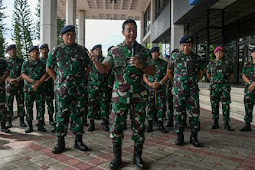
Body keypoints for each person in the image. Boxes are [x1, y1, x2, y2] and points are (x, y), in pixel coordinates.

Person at [89, 19, 155, 170]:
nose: (132, 33)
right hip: (119, 96)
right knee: (116, 126)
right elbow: (104, 69)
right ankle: (117, 157)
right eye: (129, 30)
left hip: (138, 96)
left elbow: (153, 71)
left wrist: (141, 65)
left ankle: (137, 156)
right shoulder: (115, 51)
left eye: (134, 30)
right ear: (123, 32)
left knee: (139, 127)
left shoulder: (144, 52)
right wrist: (96, 62)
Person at [46, 25, 91, 154]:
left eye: (72, 34)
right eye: (67, 35)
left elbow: (89, 67)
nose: (70, 36)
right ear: (62, 36)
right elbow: (49, 68)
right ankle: (60, 142)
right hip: (62, 91)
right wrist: (58, 80)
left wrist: (82, 78)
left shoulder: (82, 50)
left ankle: (78, 141)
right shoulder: (56, 50)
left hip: (79, 90)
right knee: (61, 115)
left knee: (79, 114)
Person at [167, 35, 204, 147]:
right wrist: (176, 83)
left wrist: (192, 82)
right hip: (178, 92)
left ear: (191, 46)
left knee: (195, 114)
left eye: (188, 45)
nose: (186, 48)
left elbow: (201, 73)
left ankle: (194, 136)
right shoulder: (175, 57)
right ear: (180, 46)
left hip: (192, 91)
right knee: (178, 114)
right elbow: (169, 72)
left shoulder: (196, 58)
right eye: (183, 45)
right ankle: (180, 136)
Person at [21, 46, 48, 133]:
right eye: (33, 52)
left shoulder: (43, 63)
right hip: (28, 89)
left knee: (40, 107)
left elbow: (46, 73)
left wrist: (39, 82)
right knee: (29, 107)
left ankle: (40, 125)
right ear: (29, 53)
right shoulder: (26, 63)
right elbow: (23, 75)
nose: (35, 53)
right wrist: (33, 82)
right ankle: (29, 126)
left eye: (36, 51)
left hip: (40, 89)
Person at [207, 46, 233, 131]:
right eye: (217, 52)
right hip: (214, 87)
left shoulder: (228, 63)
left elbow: (231, 75)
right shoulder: (211, 64)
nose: (219, 54)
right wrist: (213, 81)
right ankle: (215, 122)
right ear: (215, 54)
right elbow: (208, 74)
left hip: (224, 87)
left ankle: (226, 123)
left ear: (223, 53)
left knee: (226, 105)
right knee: (214, 104)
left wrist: (225, 81)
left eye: (221, 52)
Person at [143, 47, 168, 133]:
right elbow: (144, 76)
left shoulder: (164, 63)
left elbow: (167, 75)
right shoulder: (147, 63)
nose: (155, 54)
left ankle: (161, 124)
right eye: (153, 52)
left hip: (160, 88)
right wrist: (150, 84)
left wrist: (160, 83)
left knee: (161, 106)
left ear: (159, 53)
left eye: (156, 52)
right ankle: (150, 124)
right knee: (150, 106)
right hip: (150, 89)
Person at [87, 44, 110, 131]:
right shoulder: (89, 61)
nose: (98, 51)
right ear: (92, 51)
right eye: (96, 50)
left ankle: (105, 123)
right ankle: (91, 123)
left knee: (104, 105)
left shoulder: (104, 61)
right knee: (91, 105)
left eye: (99, 50)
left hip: (103, 86)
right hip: (92, 87)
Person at [5, 44, 26, 128]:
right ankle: (8, 121)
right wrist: (10, 80)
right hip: (9, 86)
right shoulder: (5, 62)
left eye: (14, 49)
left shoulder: (21, 61)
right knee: (9, 103)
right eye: (10, 50)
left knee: (20, 103)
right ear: (8, 52)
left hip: (19, 85)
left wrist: (17, 79)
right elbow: (3, 74)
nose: (12, 51)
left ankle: (22, 121)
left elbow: (24, 72)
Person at [240, 47, 255, 131]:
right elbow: (243, 75)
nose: (254, 53)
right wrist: (250, 83)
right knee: (248, 106)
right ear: (251, 54)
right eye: (253, 52)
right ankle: (247, 125)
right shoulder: (247, 64)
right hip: (249, 89)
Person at [40, 44, 55, 126]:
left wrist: (48, 79)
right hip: (41, 86)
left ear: (48, 50)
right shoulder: (38, 61)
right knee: (40, 104)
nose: (45, 51)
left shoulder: (51, 60)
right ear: (40, 51)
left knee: (50, 104)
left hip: (49, 85)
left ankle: (51, 119)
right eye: (43, 49)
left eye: (46, 49)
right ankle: (41, 120)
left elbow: (54, 70)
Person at [0, 56, 10, 133]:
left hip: (1, 88)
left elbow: (7, 71)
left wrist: (1, 80)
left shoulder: (2, 61)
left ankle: (3, 126)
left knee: (2, 107)